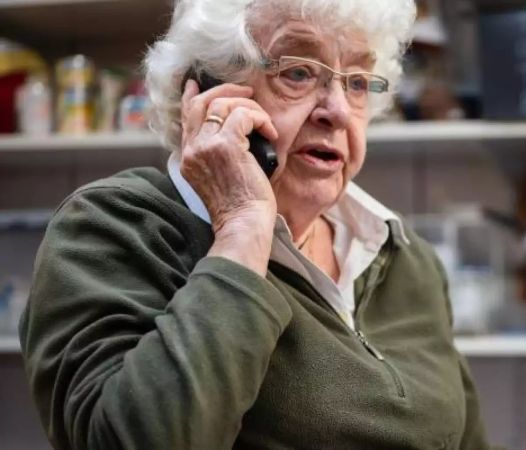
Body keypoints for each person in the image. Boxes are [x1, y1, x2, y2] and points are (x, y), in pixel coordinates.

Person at [18, 0, 490, 448]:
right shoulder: (111, 228)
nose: (338, 112)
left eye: (358, 81)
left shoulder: (404, 255)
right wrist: (242, 229)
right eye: (299, 72)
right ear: (204, 93)